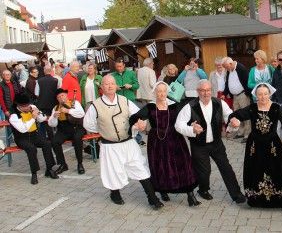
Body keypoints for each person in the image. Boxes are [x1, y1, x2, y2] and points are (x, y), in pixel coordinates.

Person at [83, 75, 163, 208]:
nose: (109, 86)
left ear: (116, 86)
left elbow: (137, 116)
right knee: (113, 171)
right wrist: (104, 128)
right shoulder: (95, 105)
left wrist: (139, 123)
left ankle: (152, 197)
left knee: (139, 167)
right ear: (102, 87)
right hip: (110, 146)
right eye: (106, 84)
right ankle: (115, 194)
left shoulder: (124, 100)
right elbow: (88, 124)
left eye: (112, 84)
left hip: (128, 143)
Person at [228, 83, 282, 215]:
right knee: (255, 170)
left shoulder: (275, 108)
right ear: (256, 96)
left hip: (273, 145)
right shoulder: (252, 108)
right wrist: (234, 120)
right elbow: (236, 115)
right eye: (260, 94)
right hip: (254, 146)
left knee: (280, 171)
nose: (262, 97)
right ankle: (257, 199)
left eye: (265, 94)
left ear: (270, 94)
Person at [129, 81, 200, 206]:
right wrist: (138, 124)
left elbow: (185, 119)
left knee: (183, 165)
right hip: (157, 140)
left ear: (167, 92)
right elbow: (134, 117)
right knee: (160, 166)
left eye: (163, 91)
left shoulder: (174, 105)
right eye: (159, 91)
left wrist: (192, 124)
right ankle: (163, 191)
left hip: (175, 138)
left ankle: (190, 195)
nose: (161, 94)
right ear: (155, 93)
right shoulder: (150, 107)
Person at [175, 80, 246, 204]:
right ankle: (203, 190)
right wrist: (191, 129)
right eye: (202, 90)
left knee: (226, 168)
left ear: (211, 90)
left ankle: (237, 194)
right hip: (198, 145)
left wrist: (234, 122)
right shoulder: (190, 106)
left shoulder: (219, 103)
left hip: (216, 143)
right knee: (204, 171)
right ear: (198, 92)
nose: (206, 93)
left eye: (208, 90)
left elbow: (229, 116)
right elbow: (178, 125)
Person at [8, 93, 59, 184]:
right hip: (21, 138)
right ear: (19, 106)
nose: (28, 107)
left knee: (47, 143)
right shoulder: (14, 116)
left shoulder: (32, 107)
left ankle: (49, 169)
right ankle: (34, 173)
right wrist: (33, 118)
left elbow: (42, 119)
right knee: (31, 149)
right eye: (25, 106)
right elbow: (23, 129)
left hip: (34, 134)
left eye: (28, 105)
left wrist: (38, 113)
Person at [49, 88, 86, 175]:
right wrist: (54, 117)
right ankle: (63, 164)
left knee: (77, 139)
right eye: (58, 97)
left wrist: (68, 110)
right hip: (63, 129)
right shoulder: (55, 108)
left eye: (62, 95)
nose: (61, 98)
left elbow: (81, 113)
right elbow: (52, 124)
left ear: (66, 96)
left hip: (76, 127)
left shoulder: (74, 102)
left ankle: (80, 164)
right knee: (55, 141)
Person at [222, 57, 251, 142]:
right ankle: (240, 132)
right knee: (237, 115)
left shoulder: (241, 68)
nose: (226, 69)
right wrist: (224, 93)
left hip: (242, 95)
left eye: (226, 67)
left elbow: (247, 82)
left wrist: (247, 94)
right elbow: (227, 83)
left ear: (230, 64)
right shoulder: (229, 70)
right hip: (235, 96)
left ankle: (247, 134)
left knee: (246, 115)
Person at [36, 65, 60, 140]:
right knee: (53, 120)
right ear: (51, 70)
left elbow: (36, 93)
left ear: (44, 71)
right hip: (53, 104)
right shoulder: (56, 80)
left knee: (43, 121)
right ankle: (53, 137)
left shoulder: (39, 81)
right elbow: (59, 92)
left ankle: (43, 138)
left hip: (42, 104)